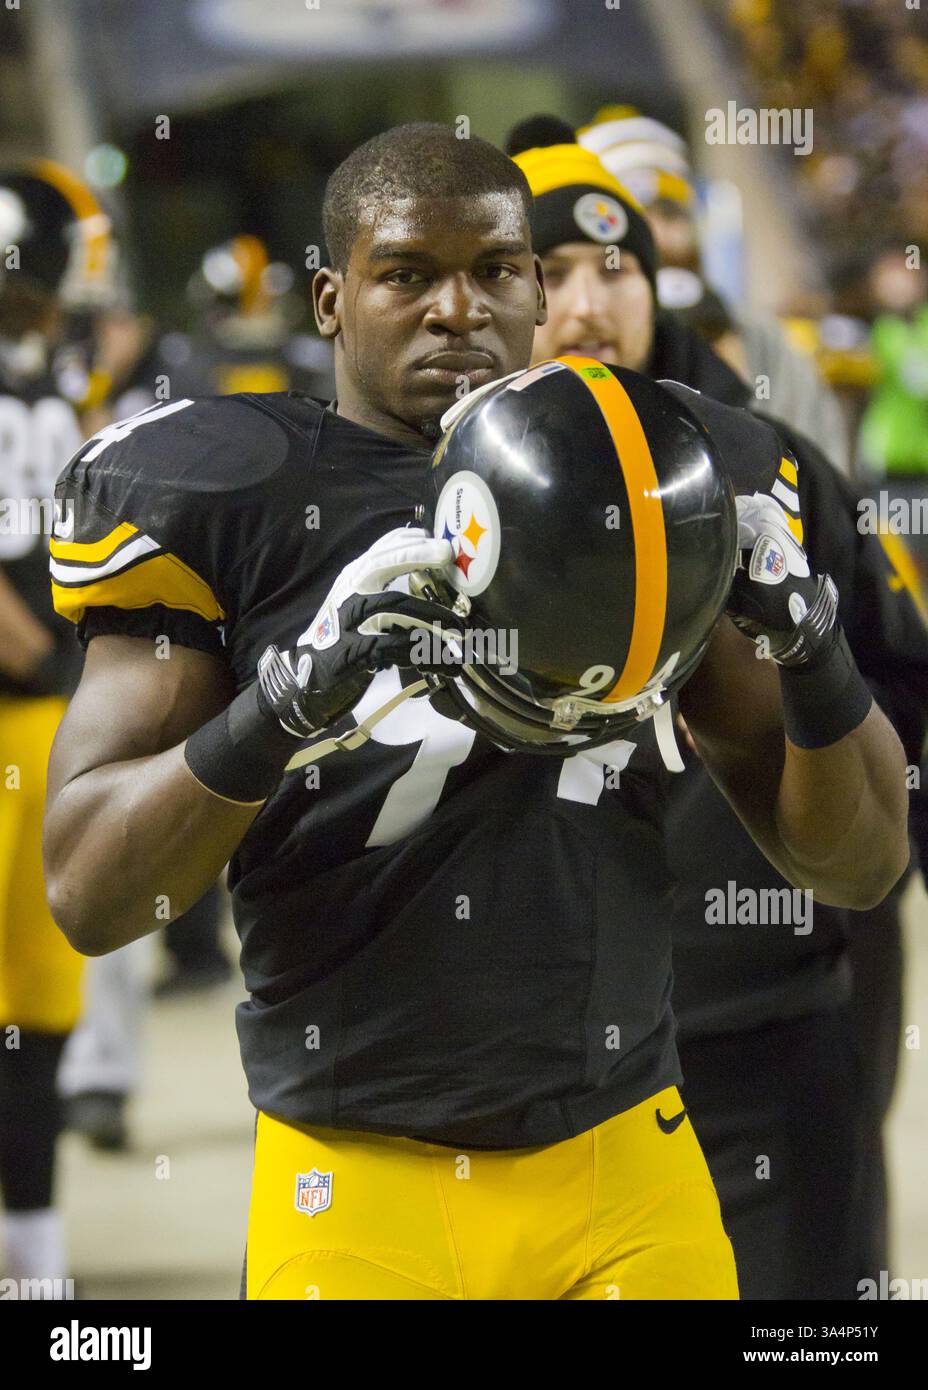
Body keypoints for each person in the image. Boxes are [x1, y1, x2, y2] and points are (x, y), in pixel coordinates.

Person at [43, 124, 908, 1301]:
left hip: (623, 1160)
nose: (458, 310)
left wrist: (807, 647)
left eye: (496, 270)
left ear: (533, 286)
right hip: (359, 1178)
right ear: (331, 298)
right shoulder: (239, 498)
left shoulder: (645, 479)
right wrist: (281, 707)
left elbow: (855, 863)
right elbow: (89, 893)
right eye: (407, 275)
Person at [509, 120, 928, 1296]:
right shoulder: (435, 490)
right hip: (531, 1056)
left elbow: (899, 676)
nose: (589, 302)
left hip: (759, 1013)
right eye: (549, 274)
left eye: (617, 266)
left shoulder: (773, 467)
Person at [0, 159, 106, 1292]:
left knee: (37, 1001)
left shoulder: (51, 374)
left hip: (38, 726)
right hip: (21, 711)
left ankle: (31, 1252)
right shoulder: (38, 381)